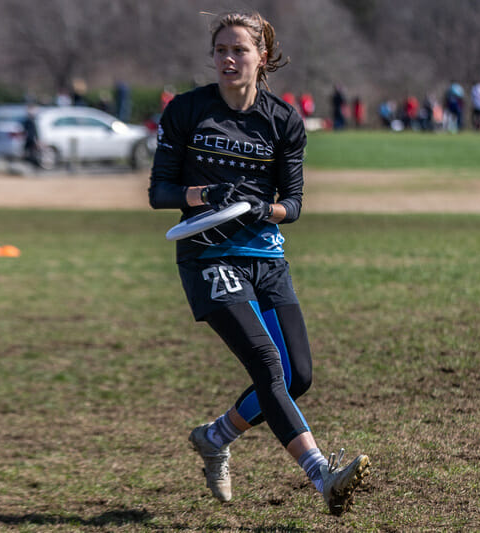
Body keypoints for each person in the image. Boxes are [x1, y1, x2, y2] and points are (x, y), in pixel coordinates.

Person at [148, 11, 370, 516]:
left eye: (239, 50)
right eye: (220, 50)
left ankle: (215, 436)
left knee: (298, 376)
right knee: (268, 364)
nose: (228, 59)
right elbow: (160, 192)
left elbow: (292, 205)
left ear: (261, 57)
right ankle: (321, 475)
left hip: (265, 258)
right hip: (208, 255)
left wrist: (257, 207)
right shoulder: (187, 111)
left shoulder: (284, 120)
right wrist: (205, 194)